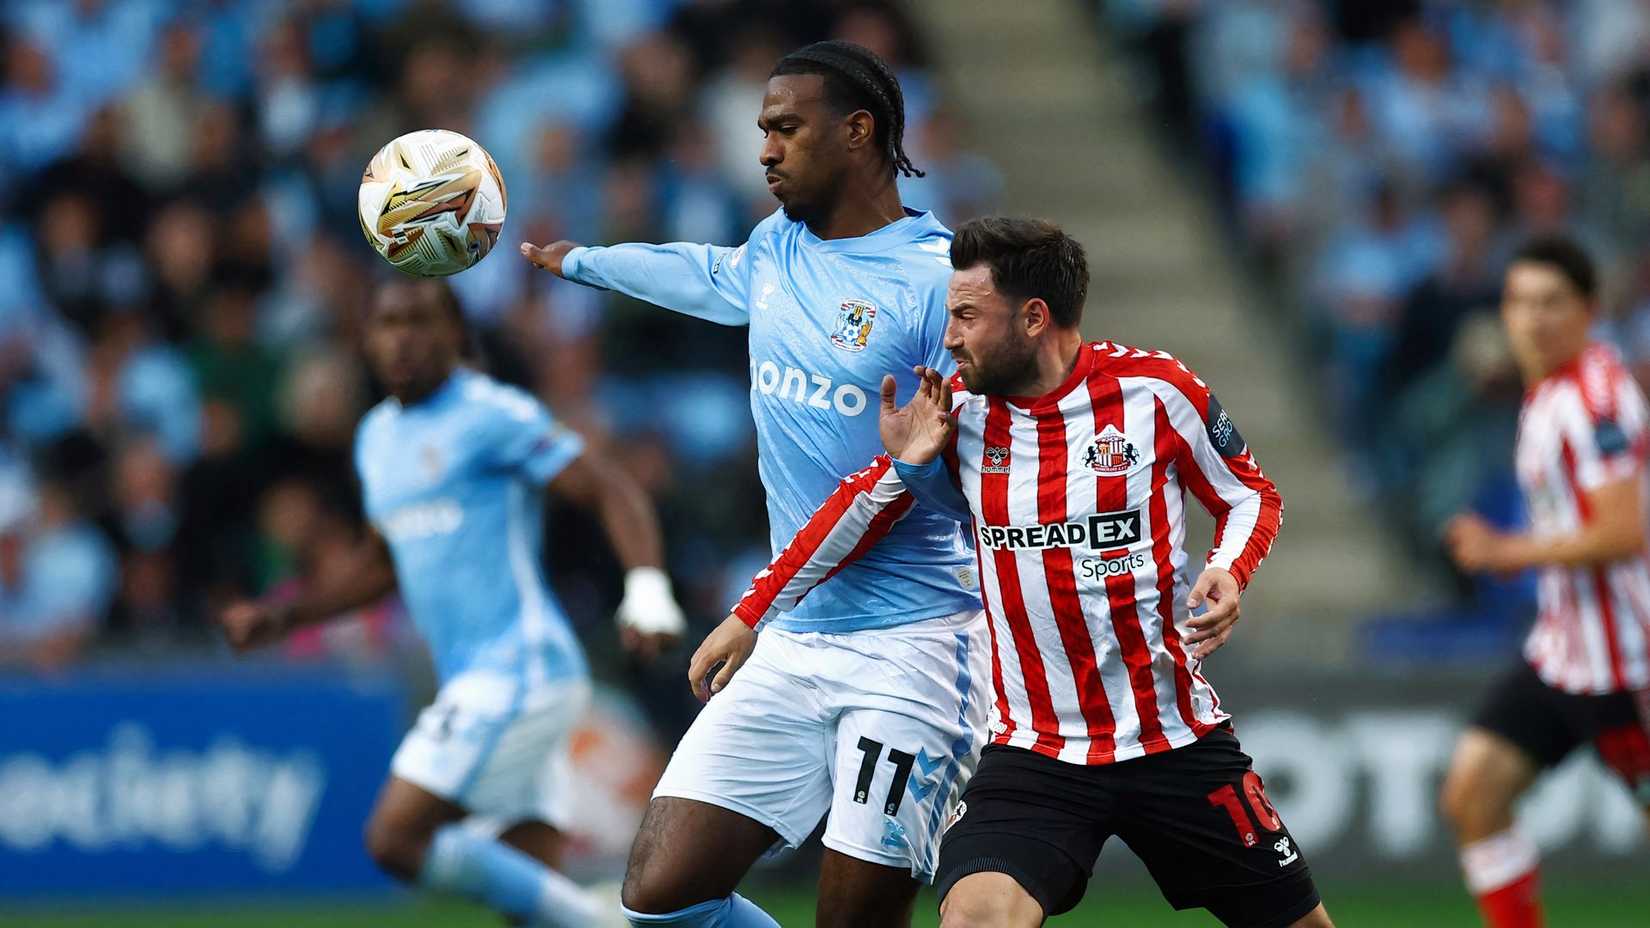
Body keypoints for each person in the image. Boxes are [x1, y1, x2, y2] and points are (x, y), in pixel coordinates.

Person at [733, 217, 1334, 927]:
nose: (949, 336)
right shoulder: (958, 415)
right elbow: (858, 507)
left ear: (1033, 317)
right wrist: (752, 614)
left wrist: (1230, 571)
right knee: (975, 918)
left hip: (1173, 739)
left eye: (965, 315)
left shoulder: (1155, 392)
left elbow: (1250, 494)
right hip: (1035, 753)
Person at [521, 39, 989, 928]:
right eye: (761, 130)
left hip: (914, 650)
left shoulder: (941, 285)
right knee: (660, 897)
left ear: (859, 132)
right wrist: (586, 261)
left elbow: (933, 489)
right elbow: (706, 275)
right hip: (794, 640)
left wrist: (756, 605)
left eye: (785, 128)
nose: (765, 149)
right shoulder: (777, 248)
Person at [217, 278, 685, 928]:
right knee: (529, 905)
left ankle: (601, 921)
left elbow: (606, 486)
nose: (402, 338)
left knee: (394, 839)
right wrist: (284, 615)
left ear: (455, 336)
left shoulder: (490, 413)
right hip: (483, 679)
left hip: (519, 670)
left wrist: (648, 588)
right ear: (366, 340)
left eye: (420, 322)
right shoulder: (376, 437)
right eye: (387, 324)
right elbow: (383, 562)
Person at [1441, 236, 1650, 928]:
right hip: (1563, 654)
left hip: (1625, 666)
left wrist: (1511, 550)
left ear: (1589, 310)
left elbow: (1623, 532)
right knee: (1473, 795)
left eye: (1552, 303)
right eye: (1520, 302)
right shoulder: (1549, 390)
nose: (1533, 320)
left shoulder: (1594, 403)